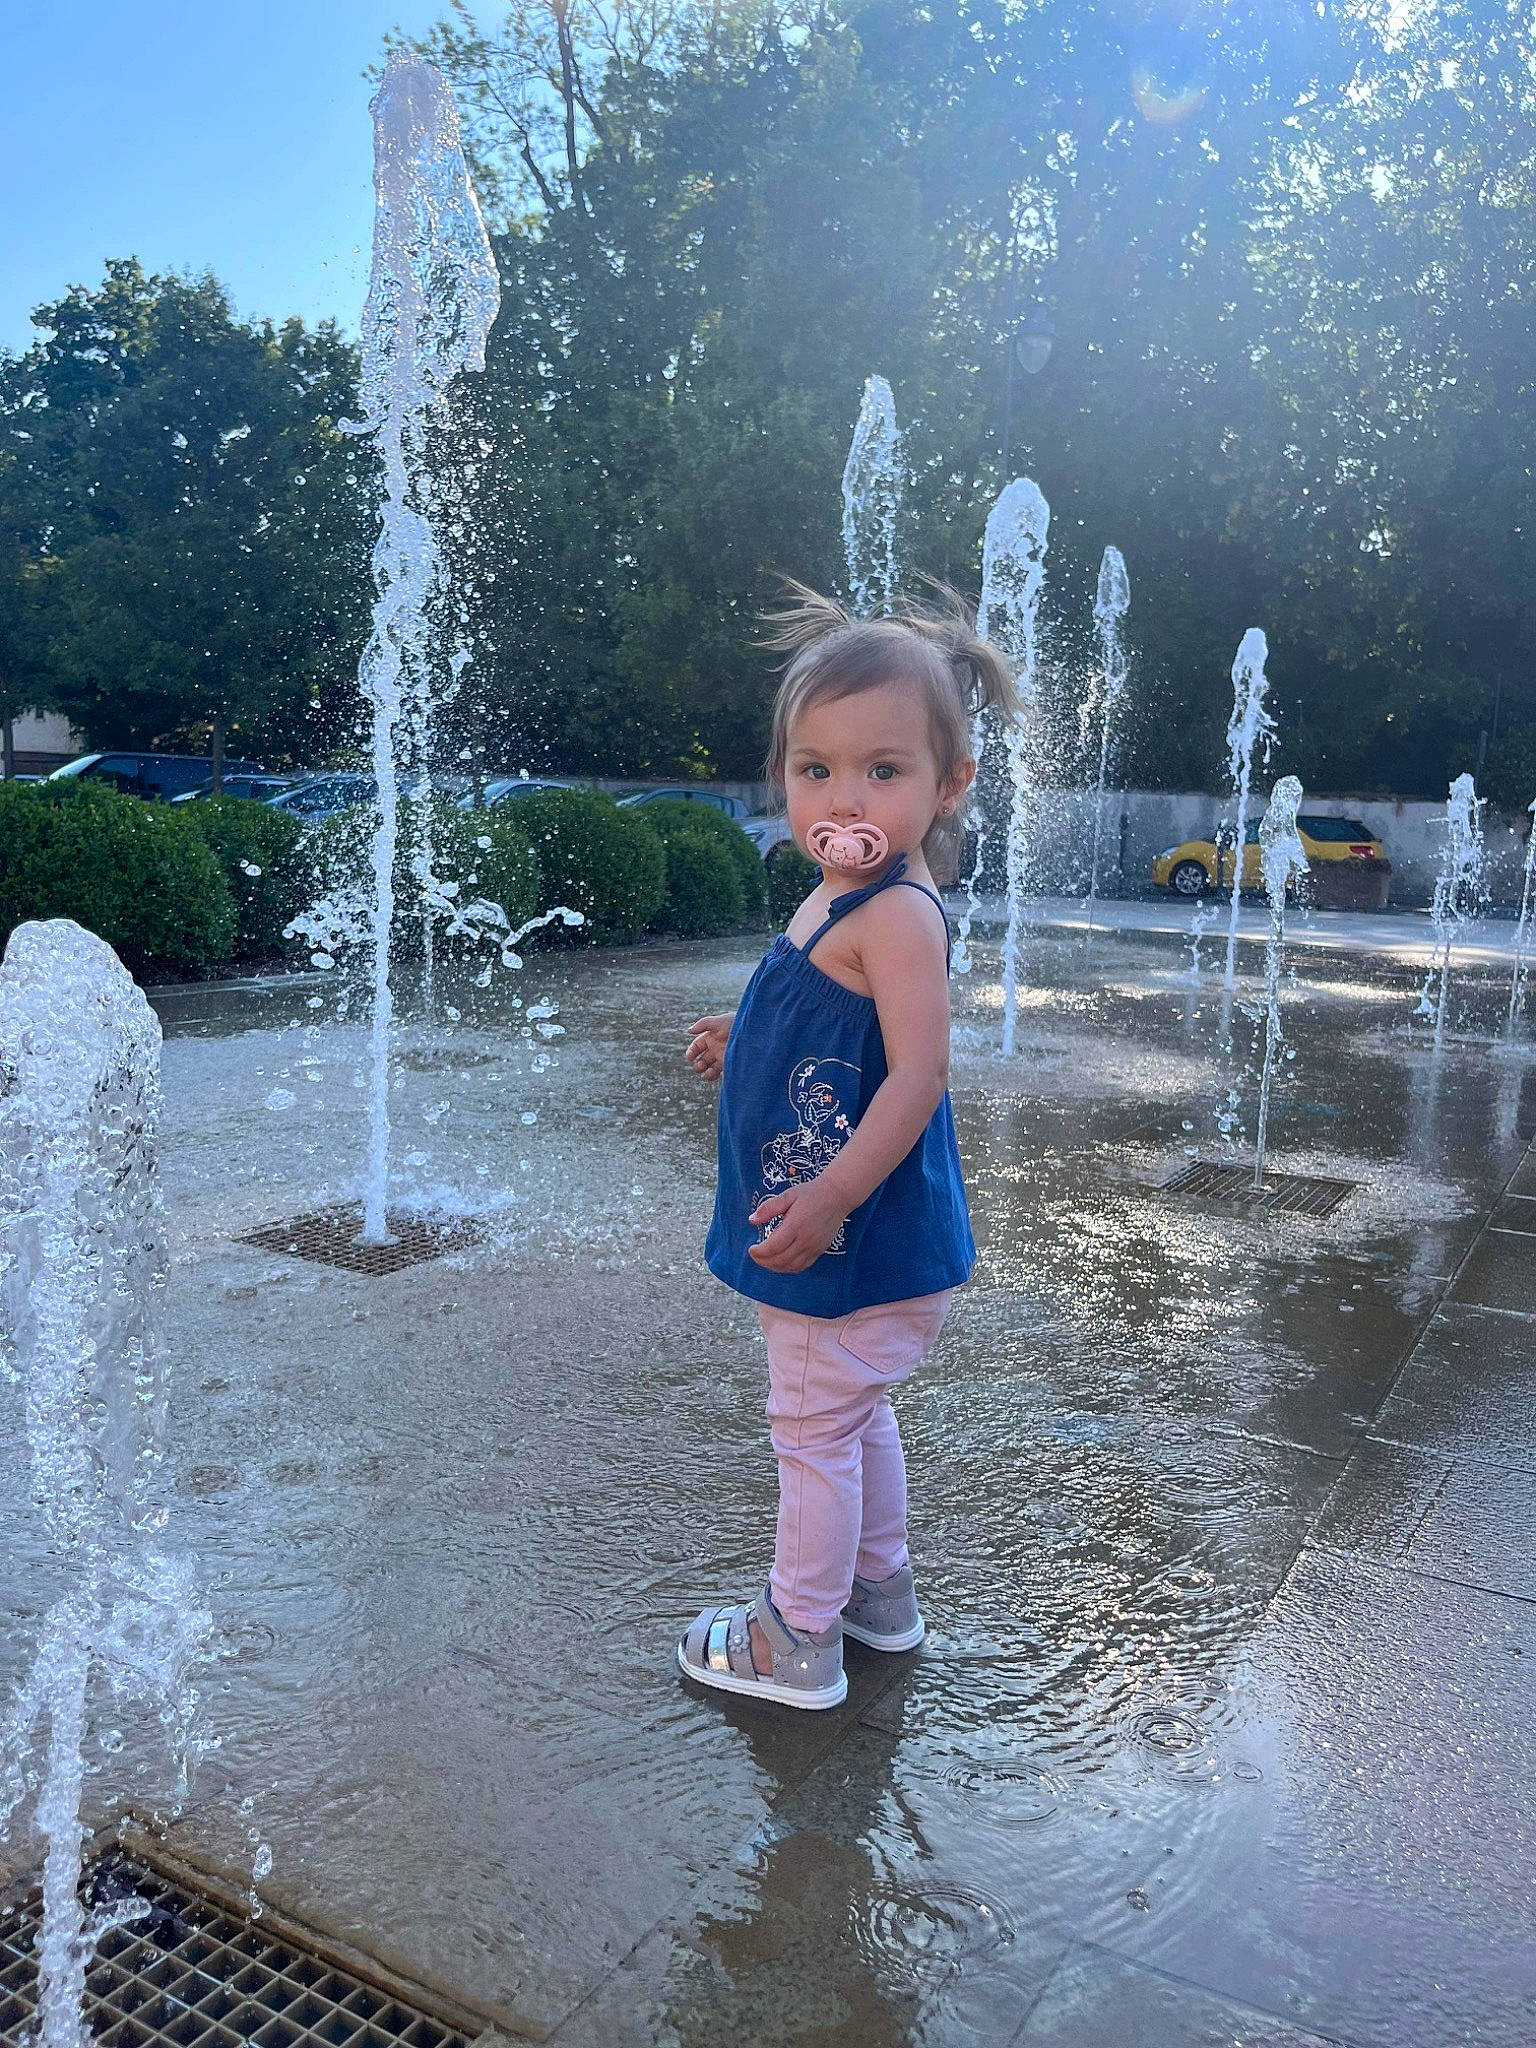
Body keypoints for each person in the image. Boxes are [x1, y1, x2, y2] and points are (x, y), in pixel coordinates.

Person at [677, 582, 1020, 1708]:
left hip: (847, 1236)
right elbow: (837, 1018)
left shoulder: (900, 912)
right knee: (850, 1413)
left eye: (884, 769)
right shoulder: (841, 892)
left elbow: (919, 1072)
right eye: (815, 767)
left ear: (948, 782)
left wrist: (829, 1196)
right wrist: (754, 1033)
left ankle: (797, 1636)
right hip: (837, 1227)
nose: (843, 794)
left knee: (811, 1426)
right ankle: (879, 1596)